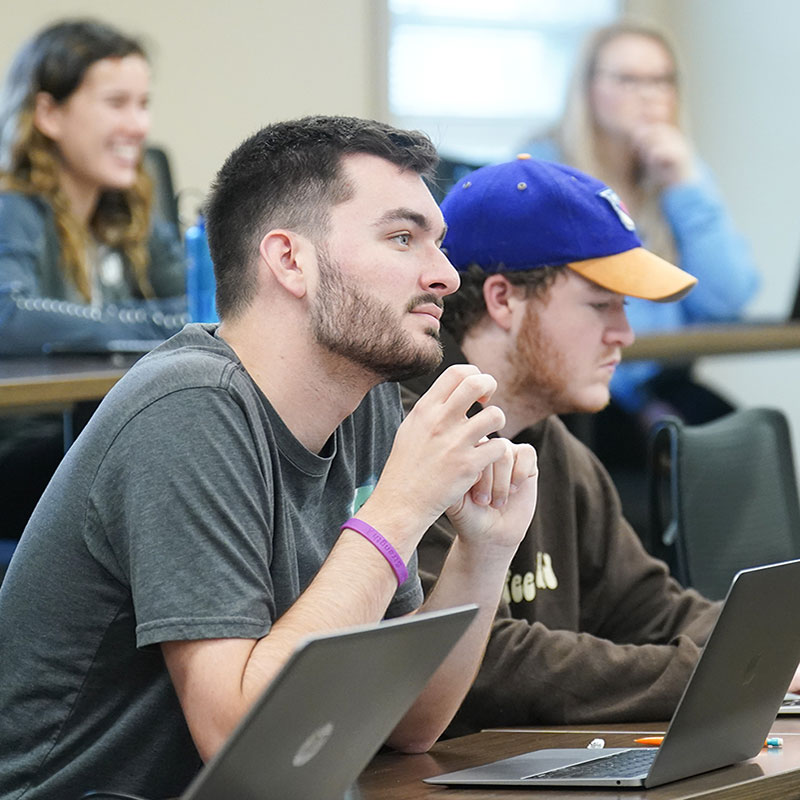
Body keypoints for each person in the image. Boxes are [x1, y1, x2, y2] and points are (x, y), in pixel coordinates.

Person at [0, 116, 538, 800]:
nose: (444, 275)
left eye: (439, 245)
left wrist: (483, 553)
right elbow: (243, 742)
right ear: (290, 260)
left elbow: (404, 725)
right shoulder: (187, 407)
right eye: (404, 239)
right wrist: (400, 509)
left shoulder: (364, 399)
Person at [402, 155, 796, 736]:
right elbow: (487, 668)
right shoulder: (411, 440)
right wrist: (718, 670)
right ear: (503, 299)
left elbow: (650, 611)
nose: (625, 334)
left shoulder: (553, 447)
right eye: (600, 303)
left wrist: (777, 646)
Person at [521, 21, 759, 530]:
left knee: (752, 453)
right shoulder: (545, 171)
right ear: (589, 88)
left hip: (663, 382)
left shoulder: (677, 175)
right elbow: (564, 311)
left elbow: (727, 299)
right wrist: (641, 400)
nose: (648, 97)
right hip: (581, 390)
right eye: (628, 80)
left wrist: (686, 183)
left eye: (661, 81)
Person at [0, 20, 187, 539]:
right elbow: (8, 315)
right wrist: (145, 321)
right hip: (22, 449)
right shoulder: (11, 206)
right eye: (116, 103)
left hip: (98, 430)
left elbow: (201, 306)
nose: (138, 125)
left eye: (143, 103)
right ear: (48, 114)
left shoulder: (131, 206)